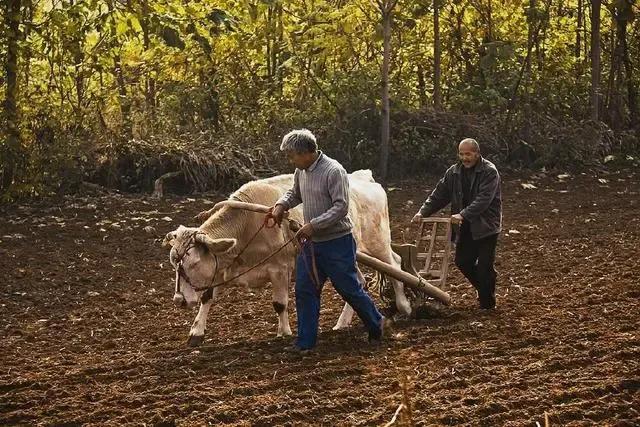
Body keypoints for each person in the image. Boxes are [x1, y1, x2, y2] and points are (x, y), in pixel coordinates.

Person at [267, 129, 387, 352]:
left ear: (305, 152)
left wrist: (313, 225)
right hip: (311, 244)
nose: (290, 159)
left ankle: (376, 321)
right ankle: (305, 343)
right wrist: (281, 205)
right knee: (304, 290)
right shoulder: (300, 171)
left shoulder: (334, 171)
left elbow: (341, 207)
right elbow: (295, 194)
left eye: (292, 155)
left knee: (349, 288)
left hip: (336, 241)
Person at [412, 138, 502, 309]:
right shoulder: (453, 172)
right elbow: (439, 195)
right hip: (464, 226)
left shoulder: (489, 172)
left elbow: (484, 199)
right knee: (463, 262)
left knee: (484, 267)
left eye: (468, 154)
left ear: (477, 153)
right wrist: (422, 212)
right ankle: (486, 287)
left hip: (486, 226)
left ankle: (487, 304)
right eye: (461, 154)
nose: (464, 158)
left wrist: (463, 214)